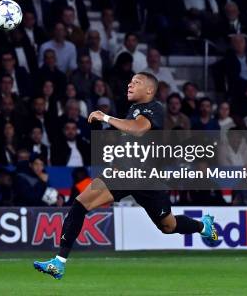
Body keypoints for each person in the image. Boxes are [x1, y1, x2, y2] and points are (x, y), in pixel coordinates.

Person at [34, 72, 218, 279]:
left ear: (149, 90)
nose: (130, 85)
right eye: (130, 82)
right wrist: (98, 128)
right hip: (122, 174)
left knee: (168, 226)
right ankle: (59, 263)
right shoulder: (132, 110)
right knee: (80, 204)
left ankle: (203, 225)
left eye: (136, 82)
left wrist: (105, 117)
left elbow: (138, 129)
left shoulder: (155, 109)